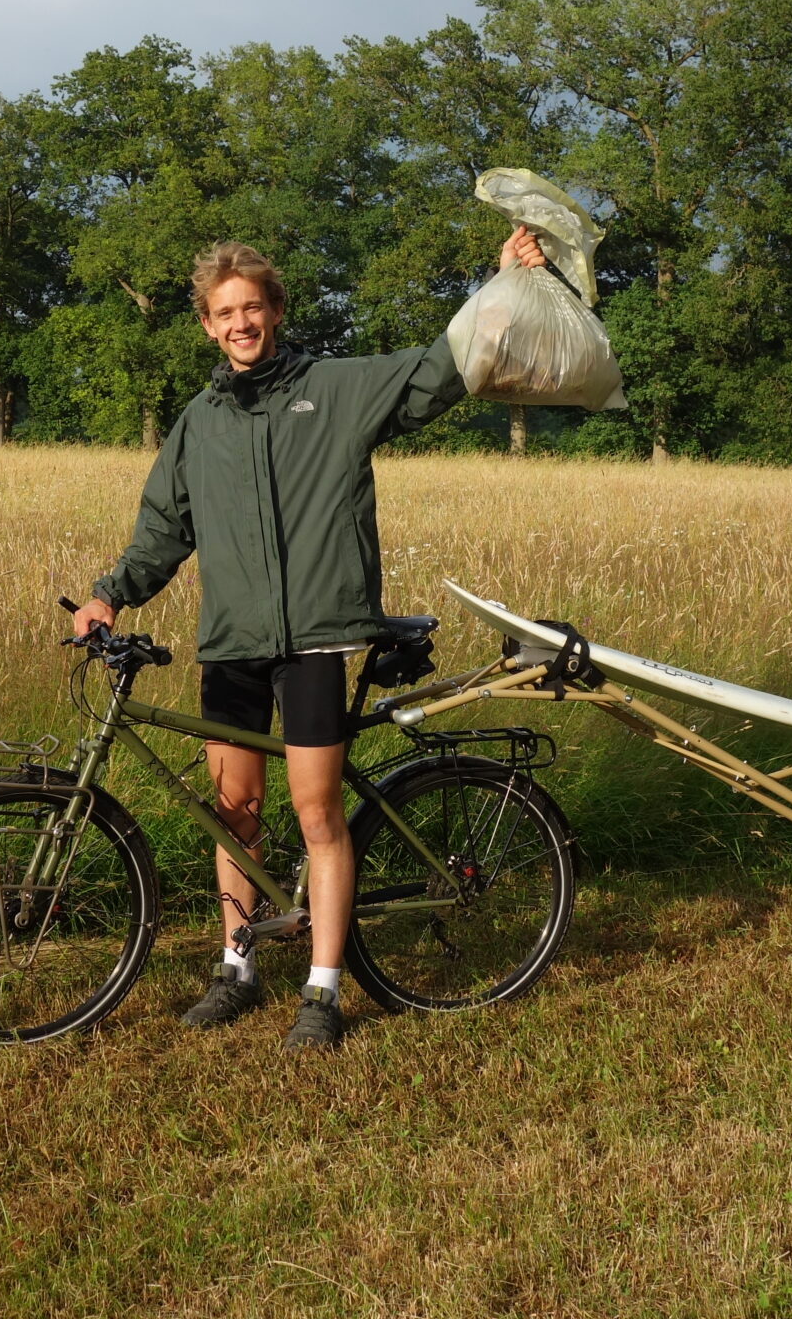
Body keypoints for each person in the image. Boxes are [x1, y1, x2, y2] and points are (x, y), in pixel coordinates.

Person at [70, 229, 544, 1052]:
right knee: (234, 813)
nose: (241, 321)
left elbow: (437, 370)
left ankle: (322, 989)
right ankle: (237, 967)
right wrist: (112, 593)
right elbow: (163, 529)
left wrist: (500, 286)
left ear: (276, 311)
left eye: (253, 306)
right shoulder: (198, 422)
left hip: (315, 639)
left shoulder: (335, 388)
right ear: (208, 326)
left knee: (318, 809)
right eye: (226, 312)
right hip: (231, 644)